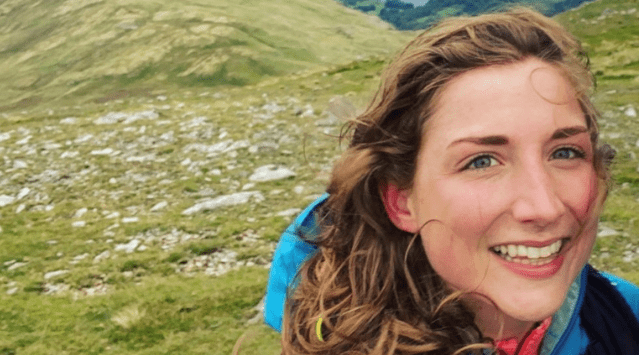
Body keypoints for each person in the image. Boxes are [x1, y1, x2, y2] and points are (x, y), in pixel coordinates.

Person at [263, 7, 639, 355]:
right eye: (481, 161)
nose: (544, 206)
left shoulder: (627, 316)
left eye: (565, 153)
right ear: (401, 201)